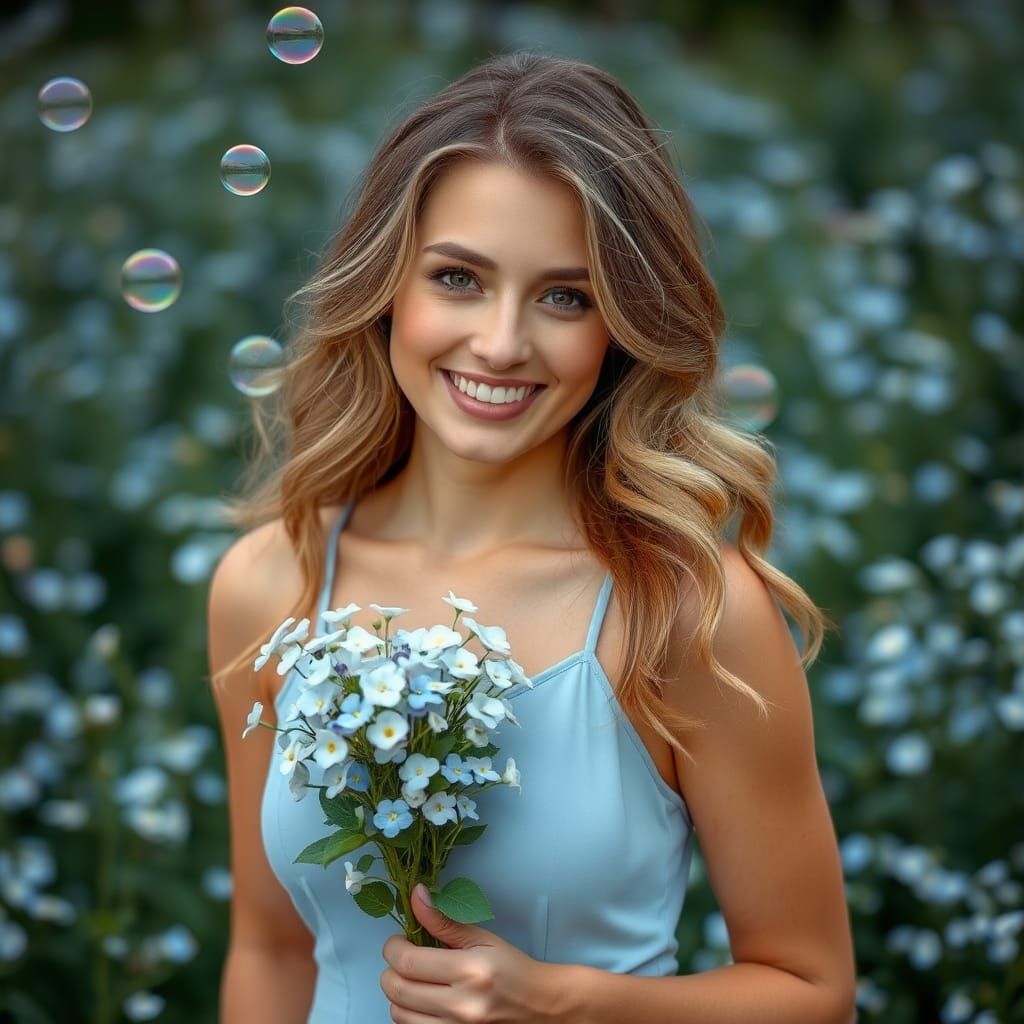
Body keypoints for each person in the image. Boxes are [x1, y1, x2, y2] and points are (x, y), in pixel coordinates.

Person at [207, 49, 857, 1024]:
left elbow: (815, 991)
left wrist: (563, 1002)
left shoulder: (684, 608)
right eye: (459, 278)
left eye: (565, 295)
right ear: (387, 287)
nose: (502, 343)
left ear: (622, 324)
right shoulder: (271, 583)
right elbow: (268, 948)